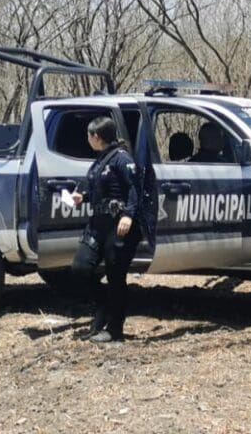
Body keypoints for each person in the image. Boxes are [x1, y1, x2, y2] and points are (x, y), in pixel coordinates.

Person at [70, 116, 147, 342]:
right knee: (80, 268)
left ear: (96, 137)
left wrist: (129, 215)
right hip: (98, 224)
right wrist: (82, 197)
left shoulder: (122, 159)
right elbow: (101, 191)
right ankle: (103, 305)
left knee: (115, 277)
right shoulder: (100, 160)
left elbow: (136, 188)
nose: (87, 139)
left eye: (88, 135)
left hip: (120, 227)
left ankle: (115, 330)